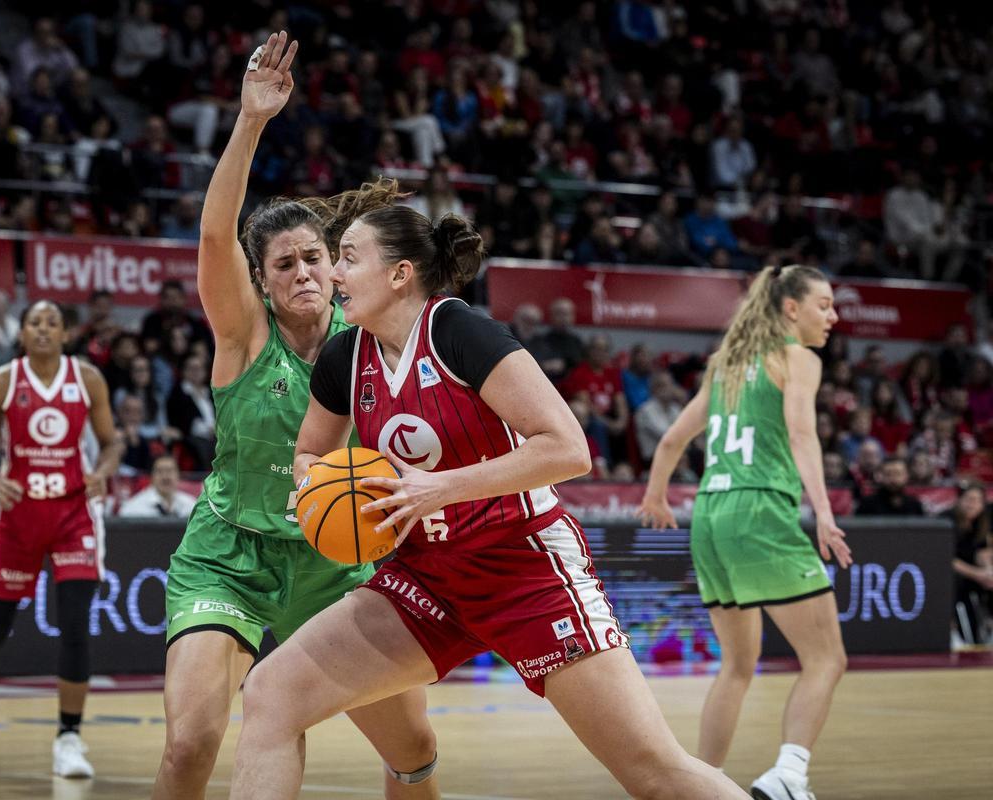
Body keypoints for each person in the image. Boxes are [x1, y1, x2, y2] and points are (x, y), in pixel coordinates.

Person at [227, 128, 748, 800]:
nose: (330, 274)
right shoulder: (344, 356)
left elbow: (567, 449)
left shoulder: (459, 331)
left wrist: (438, 487)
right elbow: (310, 451)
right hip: (426, 576)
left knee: (653, 772)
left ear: (399, 274)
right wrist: (313, 489)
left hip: (521, 563)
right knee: (271, 694)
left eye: (346, 259)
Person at [152, 32, 442, 800]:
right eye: (285, 264)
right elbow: (216, 234)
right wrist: (251, 121)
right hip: (231, 555)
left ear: (336, 262)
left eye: (315, 257)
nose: (305, 272)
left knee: (412, 754)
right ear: (262, 280)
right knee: (190, 745)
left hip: (338, 558)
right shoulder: (244, 336)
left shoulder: (372, 336)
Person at [639, 264, 852, 800]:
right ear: (790, 309)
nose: (833, 315)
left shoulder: (727, 365)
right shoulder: (798, 358)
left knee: (736, 666)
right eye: (824, 305)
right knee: (827, 658)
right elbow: (803, 432)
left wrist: (656, 496)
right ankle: (789, 776)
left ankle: (697, 783)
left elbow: (670, 442)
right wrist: (823, 512)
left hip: (710, 515)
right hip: (759, 511)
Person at [0, 300, 121, 778]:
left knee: (75, 626)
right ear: (21, 332)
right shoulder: (3, 381)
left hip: (74, 513)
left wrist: (103, 472)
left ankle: (69, 738)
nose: (43, 329)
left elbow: (112, 441)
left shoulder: (87, 378)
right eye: (34, 322)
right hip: (17, 516)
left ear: (65, 333)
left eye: (53, 322)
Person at [951, 483, 993, 645]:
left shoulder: (983, 521)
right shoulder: (948, 519)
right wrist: (978, 574)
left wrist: (988, 570)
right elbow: (946, 559)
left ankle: (989, 626)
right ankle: (952, 631)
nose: (972, 504)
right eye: (969, 499)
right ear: (959, 500)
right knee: (952, 580)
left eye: (977, 500)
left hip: (976, 574)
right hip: (953, 574)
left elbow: (982, 552)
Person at [118, 455, 197, 518]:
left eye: (170, 471)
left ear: (178, 475)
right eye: (159, 471)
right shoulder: (133, 509)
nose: (165, 477)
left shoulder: (191, 505)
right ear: (151, 477)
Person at [854, 457, 924, 516]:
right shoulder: (867, 504)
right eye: (888, 474)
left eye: (898, 474)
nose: (893, 479)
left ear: (906, 476)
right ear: (881, 476)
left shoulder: (914, 505)